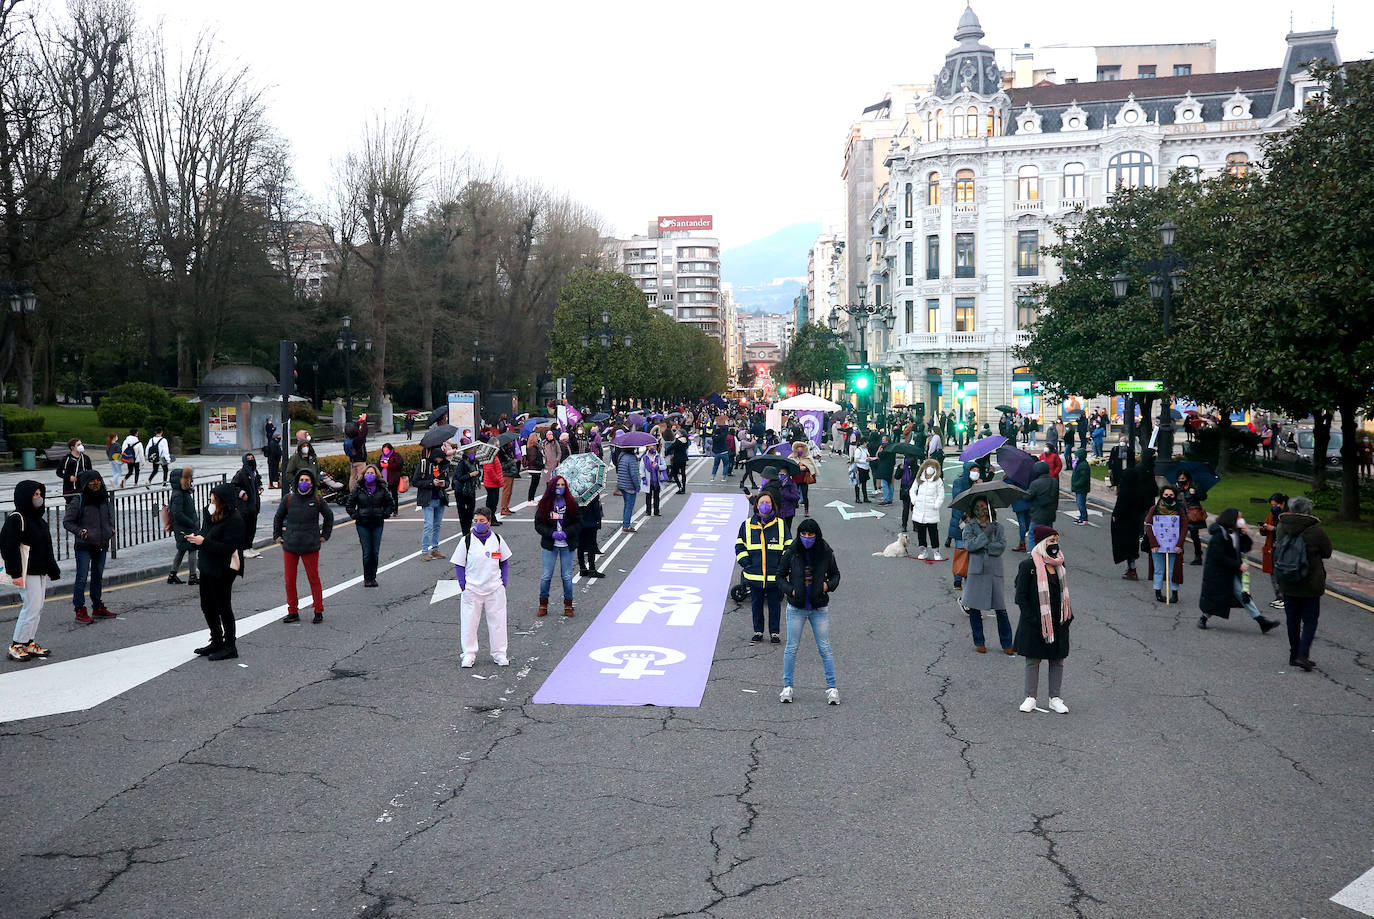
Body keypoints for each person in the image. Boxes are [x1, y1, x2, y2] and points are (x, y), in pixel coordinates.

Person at [776, 517, 841, 704]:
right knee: (791, 648)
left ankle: (832, 688)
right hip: (796, 608)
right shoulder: (792, 551)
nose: (806, 537)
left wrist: (828, 586)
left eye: (810, 534)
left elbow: (836, 574)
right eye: (803, 534)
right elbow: (779, 575)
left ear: (816, 534)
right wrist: (791, 590)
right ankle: (787, 687)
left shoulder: (825, 551)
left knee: (825, 648)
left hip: (819, 608)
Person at [1013, 526, 1072, 714]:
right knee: (1033, 659)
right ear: (1041, 544)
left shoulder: (1059, 565)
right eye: (1050, 541)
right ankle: (1030, 697)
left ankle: (1055, 698)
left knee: (1057, 660)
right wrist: (1032, 618)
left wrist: (1068, 616)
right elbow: (1020, 596)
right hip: (1035, 621)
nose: (1054, 545)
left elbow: (1063, 593)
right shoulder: (1028, 566)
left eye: (1056, 541)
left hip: (1058, 620)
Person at [186, 483, 246, 661]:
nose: (210, 502)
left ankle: (230, 646)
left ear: (223, 502)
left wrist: (203, 542)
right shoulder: (210, 514)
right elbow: (205, 534)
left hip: (224, 568)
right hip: (207, 565)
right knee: (207, 605)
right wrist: (193, 539)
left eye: (214, 499)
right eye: (210, 498)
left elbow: (228, 548)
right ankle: (217, 640)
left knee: (223, 606)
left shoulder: (235, 520)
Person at [4, 481, 61, 662]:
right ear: (25, 497)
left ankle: (28, 642)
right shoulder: (17, 518)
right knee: (31, 608)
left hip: (39, 569)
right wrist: (16, 574)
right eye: (35, 494)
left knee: (38, 608)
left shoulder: (37, 518)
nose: (39, 497)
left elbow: (46, 546)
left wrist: (52, 568)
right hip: (26, 571)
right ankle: (16, 645)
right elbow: (8, 548)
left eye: (39, 494)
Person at [1198, 508, 1280, 633]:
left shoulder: (1235, 532)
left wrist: (1244, 534)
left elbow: (1245, 547)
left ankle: (1261, 621)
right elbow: (1219, 557)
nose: (1241, 520)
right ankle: (1204, 617)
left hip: (1231, 571)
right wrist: (1238, 565)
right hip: (1218, 574)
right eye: (1238, 518)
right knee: (1218, 598)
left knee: (1243, 595)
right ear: (1231, 519)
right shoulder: (1219, 536)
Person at [1273, 496, 1332, 671]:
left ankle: (1293, 654)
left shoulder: (1282, 527)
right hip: (1310, 583)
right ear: (1308, 511)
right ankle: (1303, 654)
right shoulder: (1315, 532)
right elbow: (1327, 552)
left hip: (1287, 580)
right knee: (1310, 620)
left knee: (1292, 619)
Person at [452, 507, 512, 668]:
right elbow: (459, 563)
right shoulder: (467, 540)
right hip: (472, 588)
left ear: (489, 522)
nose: (478, 524)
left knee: (498, 621)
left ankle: (500, 653)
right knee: (469, 623)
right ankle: (468, 654)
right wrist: (462, 584)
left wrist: (503, 581)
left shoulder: (497, 539)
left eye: (482, 521)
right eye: (476, 521)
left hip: (495, 588)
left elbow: (504, 561)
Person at [273, 470, 334, 624]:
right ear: (297, 481)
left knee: (314, 579)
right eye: (301, 479)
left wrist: (325, 535)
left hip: (310, 545)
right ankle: (292, 611)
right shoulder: (289, 499)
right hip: (290, 545)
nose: (304, 482)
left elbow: (329, 516)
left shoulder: (317, 499)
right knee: (289, 581)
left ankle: (318, 610)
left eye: (307, 479)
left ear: (312, 483)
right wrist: (277, 535)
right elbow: (278, 517)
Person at [961, 496, 1013, 654]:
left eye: (984, 506)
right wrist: (985, 536)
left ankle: (1007, 643)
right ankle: (979, 641)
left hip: (994, 571)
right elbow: (969, 545)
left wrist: (984, 545)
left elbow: (1001, 546)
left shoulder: (998, 527)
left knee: (1001, 609)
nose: (981, 509)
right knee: (975, 608)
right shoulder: (969, 527)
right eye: (978, 506)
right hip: (976, 571)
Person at [64, 469, 116, 624]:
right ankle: (79, 609)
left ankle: (98, 607)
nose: (96, 483)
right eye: (92, 481)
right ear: (85, 483)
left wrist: (110, 529)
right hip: (84, 545)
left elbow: (109, 517)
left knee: (97, 577)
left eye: (98, 480)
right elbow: (67, 521)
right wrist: (81, 532)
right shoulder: (79, 500)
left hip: (102, 543)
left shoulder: (103, 498)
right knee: (81, 578)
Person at [736, 492, 789, 643]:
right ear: (756, 506)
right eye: (761, 503)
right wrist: (745, 562)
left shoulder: (780, 524)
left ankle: (774, 633)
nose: (765, 505)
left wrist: (783, 566)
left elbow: (788, 546)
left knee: (775, 606)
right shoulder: (747, 525)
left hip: (774, 576)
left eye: (768, 502)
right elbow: (740, 545)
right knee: (756, 605)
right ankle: (758, 631)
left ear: (773, 505)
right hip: (754, 575)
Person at [534, 475, 580, 617]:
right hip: (550, 544)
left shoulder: (572, 503)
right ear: (552, 487)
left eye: (562, 485)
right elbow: (538, 525)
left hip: (567, 544)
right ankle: (543, 604)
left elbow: (578, 523)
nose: (560, 487)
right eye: (557, 485)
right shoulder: (545, 504)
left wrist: (566, 533)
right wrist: (551, 533)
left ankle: (568, 605)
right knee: (546, 576)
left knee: (566, 576)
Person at [346, 462, 395, 588]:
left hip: (377, 523)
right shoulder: (359, 487)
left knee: (375, 552)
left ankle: (373, 577)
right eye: (367, 473)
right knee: (367, 552)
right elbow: (349, 504)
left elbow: (390, 503)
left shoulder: (382, 487)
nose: (369, 475)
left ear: (376, 475)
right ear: (364, 475)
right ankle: (367, 578)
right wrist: (356, 515)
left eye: (372, 473)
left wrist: (385, 514)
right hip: (363, 524)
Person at [1111, 450, 1157, 580]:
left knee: (1126, 547)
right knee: (1132, 545)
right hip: (1135, 520)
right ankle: (1132, 568)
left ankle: (1132, 569)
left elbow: (1120, 507)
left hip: (1125, 522)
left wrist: (1116, 515)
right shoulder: (1139, 491)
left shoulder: (1126, 492)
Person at [1144, 484, 1187, 602]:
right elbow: (1148, 525)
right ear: (1162, 495)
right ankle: (1158, 592)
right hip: (1157, 546)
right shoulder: (1154, 509)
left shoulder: (1179, 510)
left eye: (1171, 495)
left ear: (1175, 496)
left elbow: (1184, 527)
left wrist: (1179, 544)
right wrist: (1153, 543)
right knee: (1159, 569)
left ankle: (1174, 593)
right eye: (1166, 495)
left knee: (1172, 570)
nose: (1169, 497)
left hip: (1174, 546)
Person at [415, 446, 450, 559]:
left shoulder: (443, 466)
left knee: (437, 525)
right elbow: (415, 482)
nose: (440, 460)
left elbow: (448, 482)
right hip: (428, 499)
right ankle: (424, 551)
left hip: (440, 498)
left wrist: (444, 483)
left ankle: (435, 549)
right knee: (428, 525)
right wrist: (431, 483)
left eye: (441, 458)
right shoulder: (424, 464)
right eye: (439, 458)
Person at [947, 462, 979, 586]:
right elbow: (959, 498)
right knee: (961, 550)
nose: (976, 472)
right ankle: (957, 579)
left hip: (974, 523)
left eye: (977, 470)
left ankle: (969, 577)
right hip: (960, 520)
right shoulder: (959, 482)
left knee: (972, 552)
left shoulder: (978, 483)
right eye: (973, 470)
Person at [167, 466, 200, 585]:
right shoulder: (179, 494)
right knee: (192, 549)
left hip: (184, 527)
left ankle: (172, 575)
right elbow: (177, 513)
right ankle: (192, 576)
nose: (192, 480)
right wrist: (191, 523)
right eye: (189, 477)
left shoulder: (182, 492)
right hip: (185, 527)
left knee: (181, 550)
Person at [909, 458, 945, 560]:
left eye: (933, 467)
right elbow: (912, 490)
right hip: (919, 509)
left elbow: (941, 495)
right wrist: (915, 501)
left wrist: (936, 505)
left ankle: (936, 551)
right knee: (921, 531)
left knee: (933, 531)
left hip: (932, 510)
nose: (930, 469)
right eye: (929, 466)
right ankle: (923, 550)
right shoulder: (919, 478)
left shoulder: (938, 480)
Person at [231, 452, 263, 559]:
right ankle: (243, 549)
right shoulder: (241, 473)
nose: (251, 460)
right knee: (245, 528)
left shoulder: (254, 473)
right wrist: (242, 493)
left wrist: (260, 488)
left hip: (254, 505)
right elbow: (234, 486)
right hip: (244, 506)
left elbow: (258, 482)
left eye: (252, 458)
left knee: (252, 528)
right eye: (248, 458)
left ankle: (249, 546)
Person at [1259, 493, 1288, 610]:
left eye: (1276, 505)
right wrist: (1264, 528)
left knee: (1282, 572)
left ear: (1282, 503)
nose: (1274, 508)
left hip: (1284, 548)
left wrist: (1274, 529)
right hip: (1272, 547)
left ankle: (1284, 598)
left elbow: (1288, 531)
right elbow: (1267, 526)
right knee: (1273, 572)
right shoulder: (1273, 513)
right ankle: (1279, 597)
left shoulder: (1288, 514)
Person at [1175, 469, 1208, 565]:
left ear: (1187, 478)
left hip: (1192, 515)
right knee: (1180, 537)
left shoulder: (1194, 485)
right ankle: (1179, 556)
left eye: (1183, 478)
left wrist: (1195, 493)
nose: (1181, 480)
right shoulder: (1176, 487)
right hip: (1180, 515)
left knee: (1194, 536)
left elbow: (1204, 497)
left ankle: (1198, 557)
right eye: (1179, 478)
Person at [451, 448, 481, 537]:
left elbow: (478, 472)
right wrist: (470, 475)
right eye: (473, 453)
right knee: (462, 512)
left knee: (471, 511)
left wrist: (478, 473)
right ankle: (465, 532)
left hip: (471, 489)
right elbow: (459, 477)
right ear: (468, 454)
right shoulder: (462, 463)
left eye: (475, 453)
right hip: (461, 490)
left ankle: (468, 529)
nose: (474, 455)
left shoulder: (475, 462)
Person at [577, 493, 606, 578]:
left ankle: (582, 568)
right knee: (591, 545)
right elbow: (596, 508)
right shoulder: (592, 491)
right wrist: (598, 521)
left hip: (578, 522)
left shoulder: (574, 491)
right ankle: (592, 569)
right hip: (590, 522)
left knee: (580, 545)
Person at [614, 447, 640, 533]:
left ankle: (625, 523)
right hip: (629, 485)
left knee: (626, 505)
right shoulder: (632, 458)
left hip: (622, 484)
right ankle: (626, 526)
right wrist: (637, 486)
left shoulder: (621, 456)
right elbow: (634, 475)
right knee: (629, 506)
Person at [792, 441, 818, 516]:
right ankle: (793, 508)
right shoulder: (792, 457)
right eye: (798, 449)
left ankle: (806, 510)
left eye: (801, 449)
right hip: (795, 479)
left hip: (804, 480)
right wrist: (798, 467)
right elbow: (790, 467)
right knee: (794, 495)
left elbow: (811, 467)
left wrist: (805, 468)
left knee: (805, 495)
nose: (799, 451)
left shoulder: (808, 458)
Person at [641, 443, 666, 517]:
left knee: (656, 496)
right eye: (650, 446)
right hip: (648, 481)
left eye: (653, 446)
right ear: (647, 447)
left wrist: (658, 467)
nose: (652, 447)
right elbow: (641, 469)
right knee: (648, 496)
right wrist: (643, 478)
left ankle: (656, 511)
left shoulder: (659, 457)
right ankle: (648, 511)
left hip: (657, 480)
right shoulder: (645, 457)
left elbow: (664, 466)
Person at [482, 446, 505, 524]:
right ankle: (490, 519)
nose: (498, 447)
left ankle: (493, 518)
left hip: (494, 483)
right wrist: (497, 479)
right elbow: (489, 470)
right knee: (491, 502)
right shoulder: (490, 457)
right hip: (491, 483)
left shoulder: (493, 456)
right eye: (497, 445)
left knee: (494, 502)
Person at [870, 439, 896, 506]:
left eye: (884, 440)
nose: (882, 441)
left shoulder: (885, 451)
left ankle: (885, 499)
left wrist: (879, 450)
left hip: (884, 469)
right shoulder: (892, 451)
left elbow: (878, 455)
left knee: (884, 484)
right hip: (890, 468)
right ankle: (890, 498)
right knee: (889, 483)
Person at [497, 441, 519, 517]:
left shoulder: (508, 451)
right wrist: (512, 462)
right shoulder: (501, 453)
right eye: (510, 442)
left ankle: (506, 507)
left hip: (511, 473)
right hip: (506, 473)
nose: (511, 443)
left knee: (509, 492)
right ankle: (503, 508)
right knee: (506, 492)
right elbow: (502, 466)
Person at [377, 442, 403, 507]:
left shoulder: (396, 456)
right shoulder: (381, 456)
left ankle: (395, 509)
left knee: (394, 494)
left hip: (393, 479)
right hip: (383, 478)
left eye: (387, 450)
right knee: (384, 495)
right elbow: (378, 466)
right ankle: (387, 509)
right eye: (384, 450)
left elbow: (399, 465)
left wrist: (388, 465)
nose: (385, 452)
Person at [1070, 448, 1091, 525]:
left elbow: (1083, 478)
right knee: (1080, 503)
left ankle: (1084, 518)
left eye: (1076, 456)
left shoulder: (1084, 466)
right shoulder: (1079, 464)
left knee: (1080, 503)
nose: (1075, 457)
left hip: (1082, 488)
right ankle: (1082, 517)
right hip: (1079, 488)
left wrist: (1076, 484)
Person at [524, 432, 546, 504]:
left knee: (534, 484)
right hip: (534, 469)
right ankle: (530, 499)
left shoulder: (534, 447)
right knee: (533, 485)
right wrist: (542, 465)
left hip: (536, 468)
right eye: (537, 437)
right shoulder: (532, 448)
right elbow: (533, 460)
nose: (538, 439)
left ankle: (532, 499)